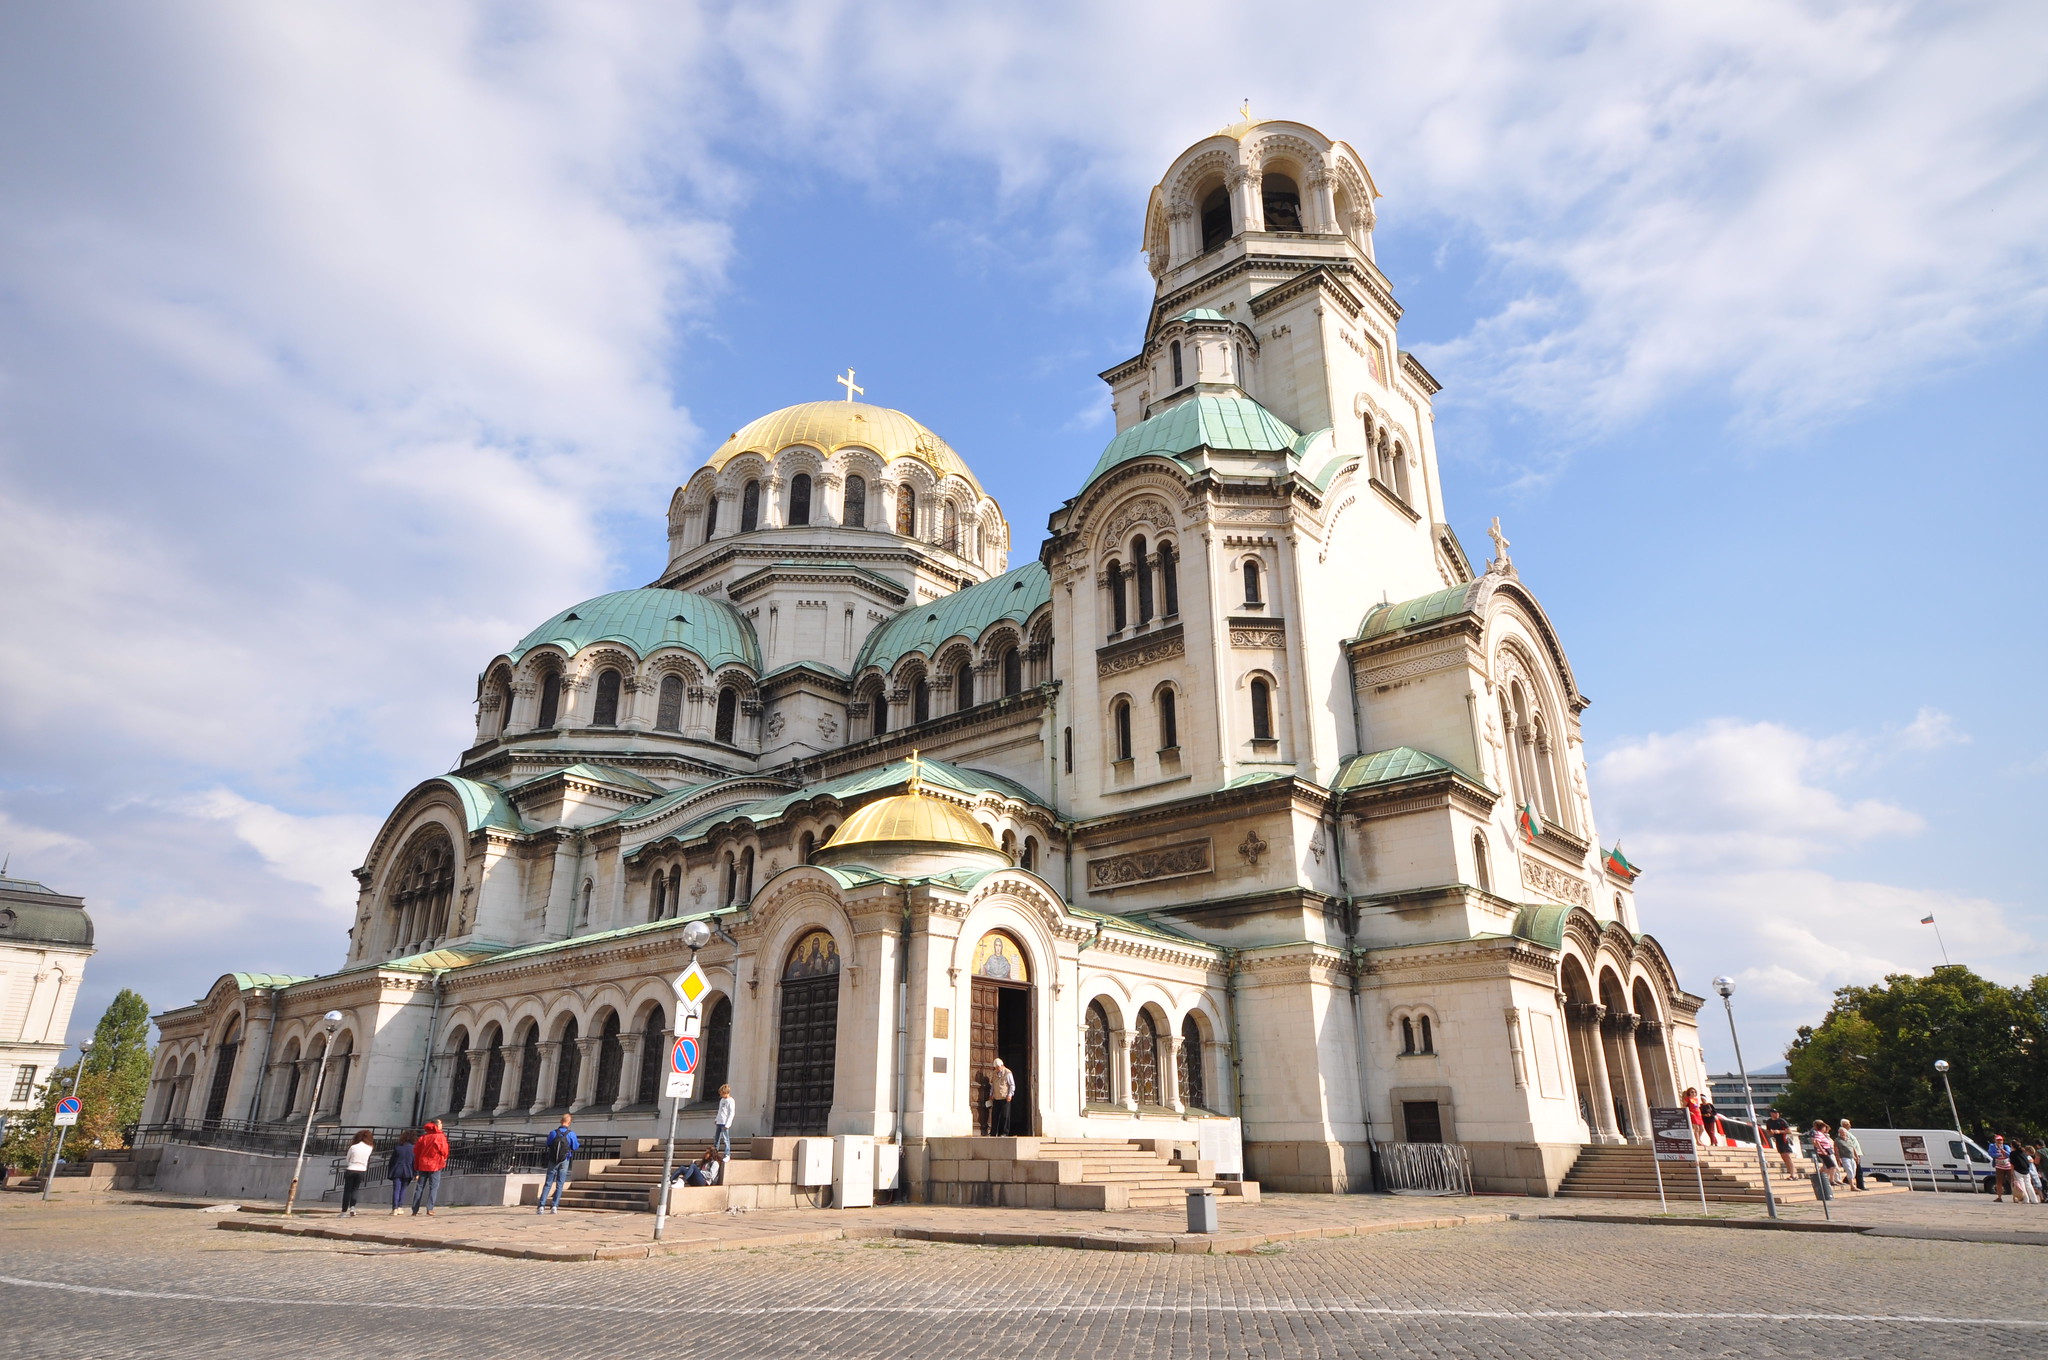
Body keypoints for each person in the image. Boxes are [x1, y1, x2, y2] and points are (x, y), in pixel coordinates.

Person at [538, 1113, 577, 1215]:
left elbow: (548, 1143)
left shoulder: (553, 1133)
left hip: (553, 1160)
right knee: (560, 1184)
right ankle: (554, 1206)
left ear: (561, 1121)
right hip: (565, 1159)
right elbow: (575, 1146)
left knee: (548, 1183)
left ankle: (541, 1206)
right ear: (569, 1122)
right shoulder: (571, 1134)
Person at [411, 1118, 450, 1216]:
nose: (442, 1125)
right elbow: (444, 1150)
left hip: (423, 1164)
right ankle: (430, 1208)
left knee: (419, 1187)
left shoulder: (424, 1137)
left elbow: (417, 1151)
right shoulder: (440, 1137)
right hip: (435, 1165)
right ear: (437, 1125)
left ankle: (414, 1209)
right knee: (433, 1187)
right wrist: (444, 1158)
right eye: (441, 1123)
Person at [340, 1130, 375, 1217]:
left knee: (347, 1191)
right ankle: (352, 1207)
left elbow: (347, 1159)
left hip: (351, 1168)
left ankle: (344, 1211)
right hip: (362, 1169)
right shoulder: (370, 1148)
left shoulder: (353, 1147)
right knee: (355, 1189)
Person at [388, 1130, 417, 1216]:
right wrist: (416, 1173)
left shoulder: (398, 1147)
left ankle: (395, 1208)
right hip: (408, 1170)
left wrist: (390, 1170)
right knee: (403, 1189)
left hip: (397, 1169)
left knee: (396, 1189)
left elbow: (392, 1160)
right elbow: (414, 1162)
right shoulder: (413, 1148)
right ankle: (400, 1206)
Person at [1764, 1108, 1795, 1177]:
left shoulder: (1781, 1121)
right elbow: (1768, 1131)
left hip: (1784, 1140)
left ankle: (1793, 1174)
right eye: (1775, 1113)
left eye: (1777, 1113)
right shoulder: (1769, 1122)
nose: (1777, 1114)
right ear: (1771, 1114)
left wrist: (1779, 1131)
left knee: (1787, 1157)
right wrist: (1771, 1132)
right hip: (1777, 1141)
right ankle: (1791, 1173)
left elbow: (1789, 1131)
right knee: (1783, 1157)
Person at [988, 1056, 1015, 1136]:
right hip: (996, 1098)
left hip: (1005, 1098)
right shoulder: (994, 1073)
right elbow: (993, 1085)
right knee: (995, 1116)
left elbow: (1012, 1085)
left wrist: (1010, 1095)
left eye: (998, 1067)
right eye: (995, 1068)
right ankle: (993, 1132)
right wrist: (991, 1094)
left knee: (1005, 1116)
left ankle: (1004, 1133)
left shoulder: (1008, 1073)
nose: (997, 1069)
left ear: (1002, 1066)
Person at [1837, 1119, 1865, 1190]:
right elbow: (1848, 1146)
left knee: (1854, 1170)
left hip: (1855, 1154)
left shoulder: (1849, 1133)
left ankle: (1847, 1180)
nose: (1850, 1125)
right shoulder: (1844, 1134)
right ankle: (1860, 1185)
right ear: (1844, 1125)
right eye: (1848, 1124)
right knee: (1859, 1171)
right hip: (1850, 1155)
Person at [1810, 1120, 1839, 1186]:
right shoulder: (1819, 1134)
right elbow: (1817, 1142)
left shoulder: (1821, 1134)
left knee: (1828, 1167)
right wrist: (1822, 1150)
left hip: (1826, 1151)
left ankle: (1825, 1179)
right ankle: (1830, 1180)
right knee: (1832, 1166)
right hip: (1823, 1152)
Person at [1989, 1135, 2015, 1201]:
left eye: (2001, 1140)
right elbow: (1991, 1153)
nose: (1999, 1142)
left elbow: (2009, 1154)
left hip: (2007, 1166)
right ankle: (1999, 1197)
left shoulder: (2006, 1147)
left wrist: (2003, 1151)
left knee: (2012, 1181)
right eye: (1998, 1140)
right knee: (1999, 1182)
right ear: (1995, 1141)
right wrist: (1999, 1155)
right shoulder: (1992, 1146)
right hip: (1999, 1166)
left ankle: (2015, 1196)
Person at [714, 1084, 734, 1159]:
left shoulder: (730, 1101)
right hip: (720, 1121)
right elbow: (720, 1111)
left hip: (725, 1123)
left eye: (722, 1093)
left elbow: (731, 1113)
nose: (721, 1095)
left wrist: (728, 1124)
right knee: (716, 1139)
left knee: (726, 1139)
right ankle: (715, 1154)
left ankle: (727, 1154)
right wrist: (717, 1119)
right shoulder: (722, 1100)